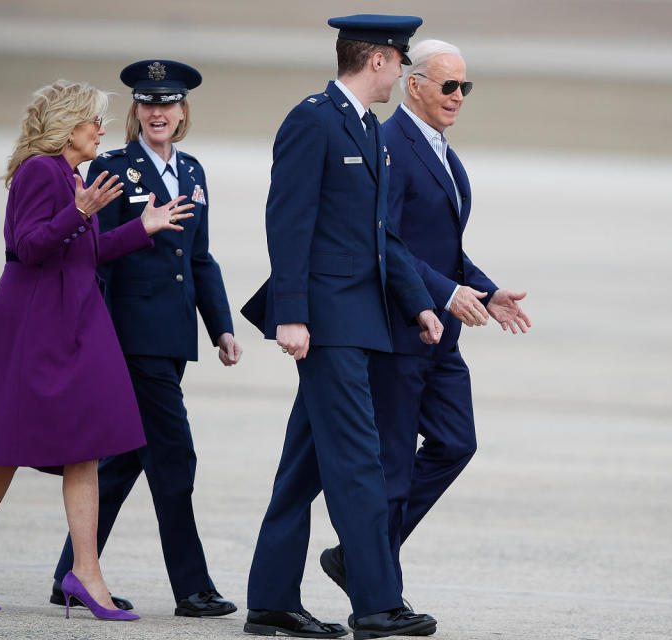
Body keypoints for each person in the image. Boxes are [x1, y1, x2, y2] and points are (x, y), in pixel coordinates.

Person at [0, 79, 194, 621]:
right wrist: (80, 211)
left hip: (69, 319)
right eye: (94, 120)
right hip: (37, 325)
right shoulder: (39, 172)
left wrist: (141, 227)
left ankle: (63, 570)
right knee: (20, 447)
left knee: (75, 444)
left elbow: (83, 255)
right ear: (69, 126)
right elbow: (28, 246)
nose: (101, 130)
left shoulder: (71, 174)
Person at [240, 14, 445, 640]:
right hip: (327, 325)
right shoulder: (313, 120)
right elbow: (288, 221)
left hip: (362, 320)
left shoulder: (370, 130)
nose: (403, 72)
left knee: (302, 468)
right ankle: (376, 605)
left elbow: (381, 235)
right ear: (377, 60)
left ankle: (270, 600)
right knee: (359, 463)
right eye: (400, 61)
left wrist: (418, 303)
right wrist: (292, 315)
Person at [318, 39, 531, 600]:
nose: (459, 97)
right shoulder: (389, 144)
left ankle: (359, 557)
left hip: (443, 331)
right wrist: (444, 291)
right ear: (414, 85)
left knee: (456, 443)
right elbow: (382, 241)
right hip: (399, 327)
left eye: (465, 87)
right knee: (389, 467)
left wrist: (485, 292)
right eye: (448, 86)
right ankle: (378, 588)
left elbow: (442, 247)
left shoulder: (442, 151)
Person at [48, 59, 241, 618]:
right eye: (148, 103)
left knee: (126, 458)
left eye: (169, 103)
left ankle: (70, 577)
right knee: (175, 456)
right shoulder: (110, 170)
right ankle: (193, 587)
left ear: (182, 112)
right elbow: (93, 258)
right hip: (129, 337)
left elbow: (199, 258)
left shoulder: (195, 171)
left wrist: (222, 327)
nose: (159, 113)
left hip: (173, 336)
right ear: (136, 111)